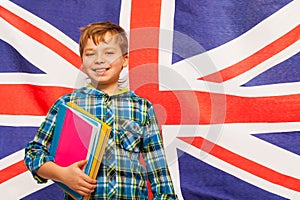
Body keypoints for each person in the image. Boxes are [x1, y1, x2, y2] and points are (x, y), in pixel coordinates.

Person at [24, 21, 176, 199]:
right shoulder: (67, 105)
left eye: (109, 53)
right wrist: (62, 175)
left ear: (125, 59)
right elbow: (34, 153)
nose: (99, 60)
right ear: (82, 61)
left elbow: (160, 173)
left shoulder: (142, 108)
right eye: (90, 54)